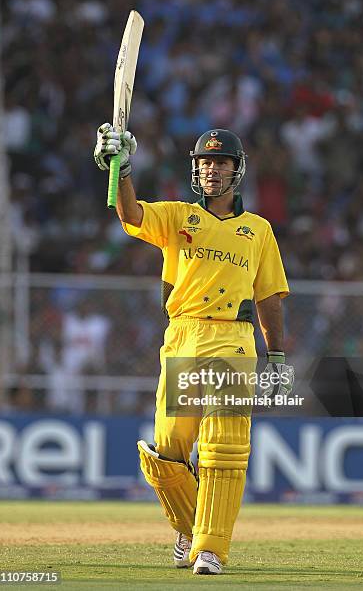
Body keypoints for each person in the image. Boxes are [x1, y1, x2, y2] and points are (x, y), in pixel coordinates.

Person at [94, 124, 294, 575]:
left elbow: (269, 298)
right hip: (184, 334)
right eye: (205, 161)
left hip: (233, 338)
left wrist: (277, 356)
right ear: (195, 168)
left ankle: (209, 548)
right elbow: (130, 215)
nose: (212, 169)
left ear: (236, 170)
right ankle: (189, 526)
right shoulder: (180, 217)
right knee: (169, 447)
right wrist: (121, 169)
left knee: (224, 446)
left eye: (221, 162)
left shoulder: (257, 230)